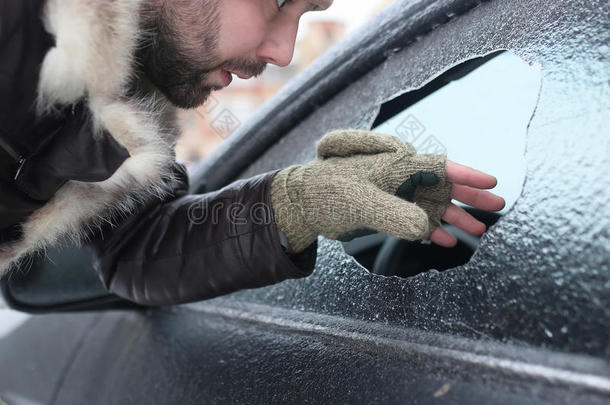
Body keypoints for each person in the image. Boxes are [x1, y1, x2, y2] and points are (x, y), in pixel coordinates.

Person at [0, 0, 504, 305]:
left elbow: (136, 247)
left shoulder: (133, 109)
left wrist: (298, 203)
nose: (283, 52)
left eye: (304, 17)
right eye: (278, 1)